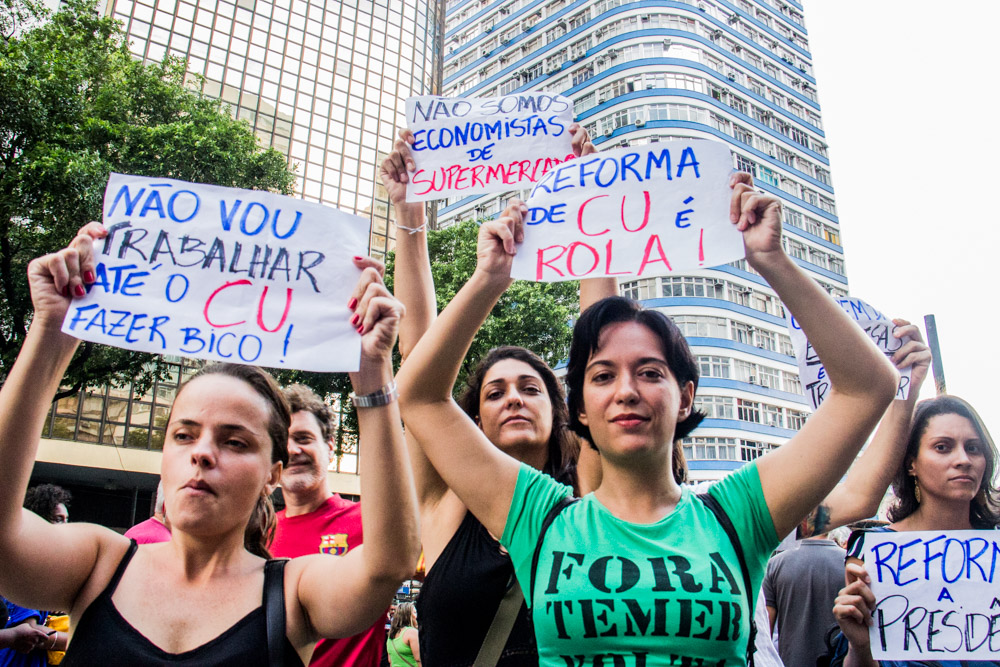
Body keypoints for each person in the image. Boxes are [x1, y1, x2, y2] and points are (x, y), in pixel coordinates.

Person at [397, 172, 899, 665]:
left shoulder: (738, 513)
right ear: (580, 412)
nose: (627, 391)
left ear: (684, 397)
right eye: (602, 376)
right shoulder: (537, 516)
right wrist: (489, 279)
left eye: (650, 372)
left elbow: (867, 388)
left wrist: (772, 261)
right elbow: (418, 395)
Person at [0, 223, 420, 666]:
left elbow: (388, 563)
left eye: (235, 442)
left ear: (271, 475)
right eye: (183, 435)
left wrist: (372, 372)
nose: (201, 452)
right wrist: (49, 331)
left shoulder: (292, 590)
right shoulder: (98, 563)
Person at [381, 125, 612, 666]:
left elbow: (597, 354)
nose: (514, 398)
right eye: (495, 391)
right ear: (473, 420)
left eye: (532, 388)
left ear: (564, 415)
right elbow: (419, 356)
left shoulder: (592, 490)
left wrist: (593, 201)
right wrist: (410, 215)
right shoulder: (444, 499)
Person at [833, 395, 1000, 667]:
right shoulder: (874, 551)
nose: (963, 459)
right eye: (943, 447)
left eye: (973, 448)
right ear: (911, 463)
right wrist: (859, 646)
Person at [270, 382, 387, 667]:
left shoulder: (371, 522)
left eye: (304, 438)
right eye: (283, 441)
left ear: (330, 447)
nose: (292, 449)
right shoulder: (254, 534)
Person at [385, 603, 420, 667]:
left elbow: (390, 660)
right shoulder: (412, 632)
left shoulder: (391, 635)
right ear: (408, 615)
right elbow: (418, 659)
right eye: (414, 612)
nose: (417, 616)